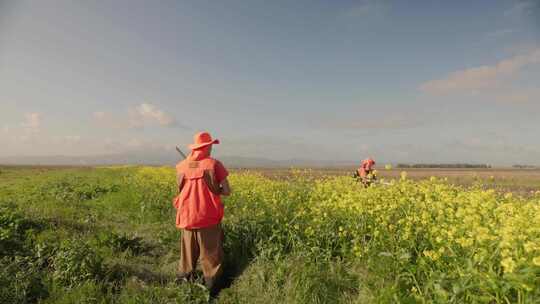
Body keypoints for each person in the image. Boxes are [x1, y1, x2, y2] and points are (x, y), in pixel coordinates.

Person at [173, 131, 231, 294]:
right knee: (210, 253)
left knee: (187, 253)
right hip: (207, 215)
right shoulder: (214, 164)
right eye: (211, 145)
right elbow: (226, 190)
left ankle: (184, 280)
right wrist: (215, 189)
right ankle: (212, 285)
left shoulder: (181, 166)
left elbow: (182, 189)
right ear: (207, 147)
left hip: (186, 215)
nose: (212, 148)